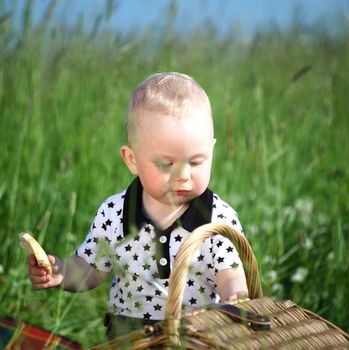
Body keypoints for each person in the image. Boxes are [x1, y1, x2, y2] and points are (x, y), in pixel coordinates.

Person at [27, 72, 248, 339]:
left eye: (197, 162)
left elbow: (229, 274)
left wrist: (236, 295)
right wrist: (62, 272)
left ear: (211, 151)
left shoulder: (217, 217)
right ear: (132, 160)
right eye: (166, 164)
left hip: (195, 334)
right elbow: (90, 268)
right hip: (128, 334)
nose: (183, 175)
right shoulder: (115, 213)